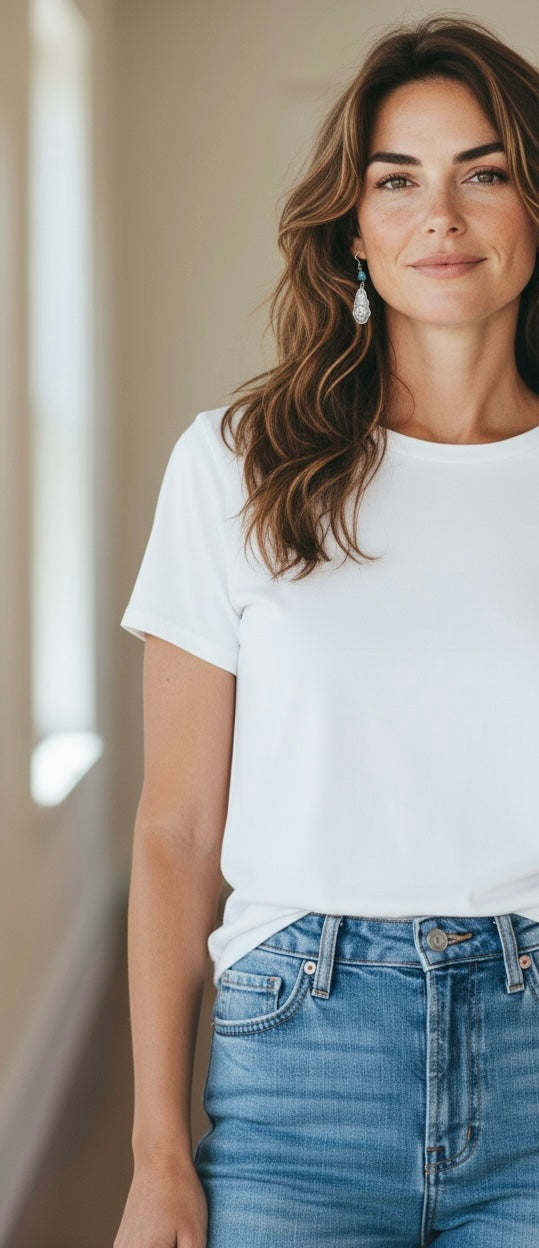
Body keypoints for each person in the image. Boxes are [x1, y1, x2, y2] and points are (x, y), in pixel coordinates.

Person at [114, 14, 539, 1247]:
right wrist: (156, 1153)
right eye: (395, 181)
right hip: (298, 1066)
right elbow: (176, 829)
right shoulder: (236, 465)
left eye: (482, 173)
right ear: (351, 225)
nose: (438, 217)